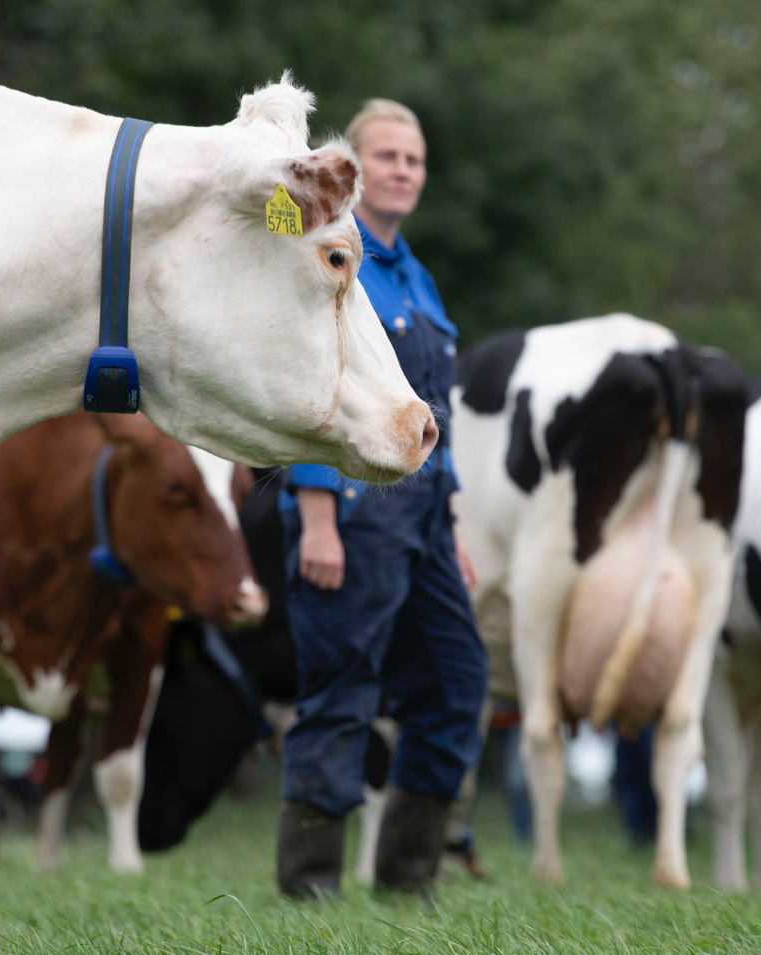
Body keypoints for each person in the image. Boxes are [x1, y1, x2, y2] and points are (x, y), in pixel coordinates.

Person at [275, 99, 488, 900]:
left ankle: (408, 882)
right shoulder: (330, 254)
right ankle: (310, 890)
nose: (403, 170)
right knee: (342, 687)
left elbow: (437, 409)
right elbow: (312, 388)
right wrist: (318, 513)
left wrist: (452, 525)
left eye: (415, 159)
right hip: (353, 508)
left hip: (427, 515)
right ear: (352, 169)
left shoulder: (417, 275)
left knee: (457, 680)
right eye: (387, 156)